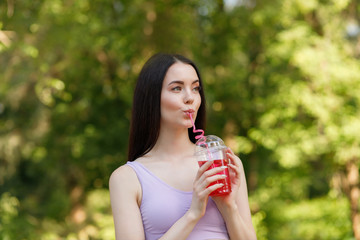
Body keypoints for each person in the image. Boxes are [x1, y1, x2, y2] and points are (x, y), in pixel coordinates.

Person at [109, 53, 257, 240]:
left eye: (195, 88)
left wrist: (228, 207)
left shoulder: (222, 162)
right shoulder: (127, 178)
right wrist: (192, 214)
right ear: (152, 97)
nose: (190, 98)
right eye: (177, 88)